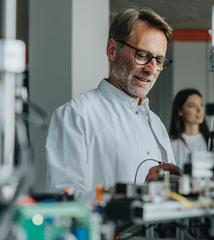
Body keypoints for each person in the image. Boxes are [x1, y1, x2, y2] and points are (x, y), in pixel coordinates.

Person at [46, 7, 180, 201]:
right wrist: (138, 194)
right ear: (112, 50)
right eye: (142, 55)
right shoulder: (76, 115)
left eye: (159, 60)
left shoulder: (157, 124)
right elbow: (63, 201)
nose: (152, 69)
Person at [169, 89, 211, 169]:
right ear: (180, 111)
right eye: (192, 106)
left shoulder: (211, 141)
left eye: (201, 105)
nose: (199, 110)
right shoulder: (171, 144)